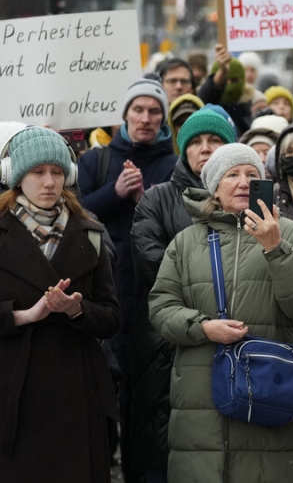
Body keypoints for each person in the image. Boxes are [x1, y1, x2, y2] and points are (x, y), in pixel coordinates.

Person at [148, 143, 293, 482]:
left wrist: (276, 248)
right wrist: (203, 328)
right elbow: (160, 309)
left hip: (272, 394)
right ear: (215, 187)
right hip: (201, 402)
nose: (244, 182)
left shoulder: (288, 233)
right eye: (232, 175)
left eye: (252, 175)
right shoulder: (186, 242)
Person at [0, 126, 120, 482]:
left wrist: (77, 310)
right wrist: (22, 316)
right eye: (38, 172)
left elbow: (112, 317)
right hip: (9, 391)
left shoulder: (90, 232)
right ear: (16, 177)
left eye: (57, 171)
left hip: (75, 394)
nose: (49, 181)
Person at [77, 77, 177, 479]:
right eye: (138, 110)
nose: (146, 118)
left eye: (154, 111)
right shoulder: (96, 161)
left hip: (154, 292)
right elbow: (78, 213)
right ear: (124, 115)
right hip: (105, 291)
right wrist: (115, 192)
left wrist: (145, 200)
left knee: (146, 394)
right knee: (104, 388)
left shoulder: (173, 163)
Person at [129, 109, 235, 482]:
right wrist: (211, 295)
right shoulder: (157, 199)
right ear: (183, 149)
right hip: (168, 342)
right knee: (169, 439)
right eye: (196, 142)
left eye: (215, 141)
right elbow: (150, 263)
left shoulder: (245, 199)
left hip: (233, 338)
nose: (205, 149)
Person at [197, 44, 255, 136]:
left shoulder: (252, 106)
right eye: (225, 80)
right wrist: (222, 72)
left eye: (234, 80)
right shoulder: (205, 105)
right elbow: (204, 98)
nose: (230, 86)